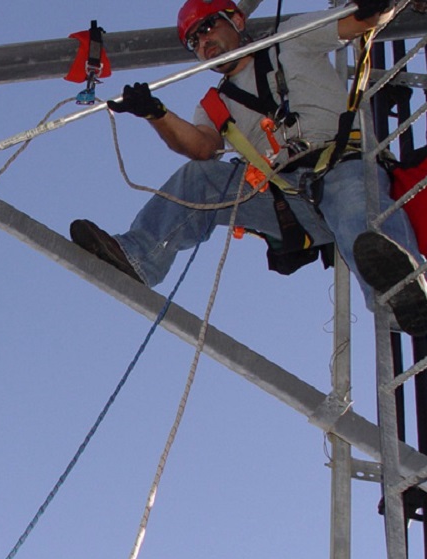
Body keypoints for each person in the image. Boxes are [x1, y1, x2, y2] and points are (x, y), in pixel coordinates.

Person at [70, 0, 427, 336]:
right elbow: (200, 147)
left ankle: (401, 300)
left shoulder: (291, 40)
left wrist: (378, 6)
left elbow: (358, 22)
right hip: (287, 199)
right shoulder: (215, 103)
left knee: (350, 203)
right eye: (194, 40)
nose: (203, 42)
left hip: (340, 165)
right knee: (201, 178)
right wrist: (157, 114)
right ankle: (139, 256)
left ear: (236, 20)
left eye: (208, 27)